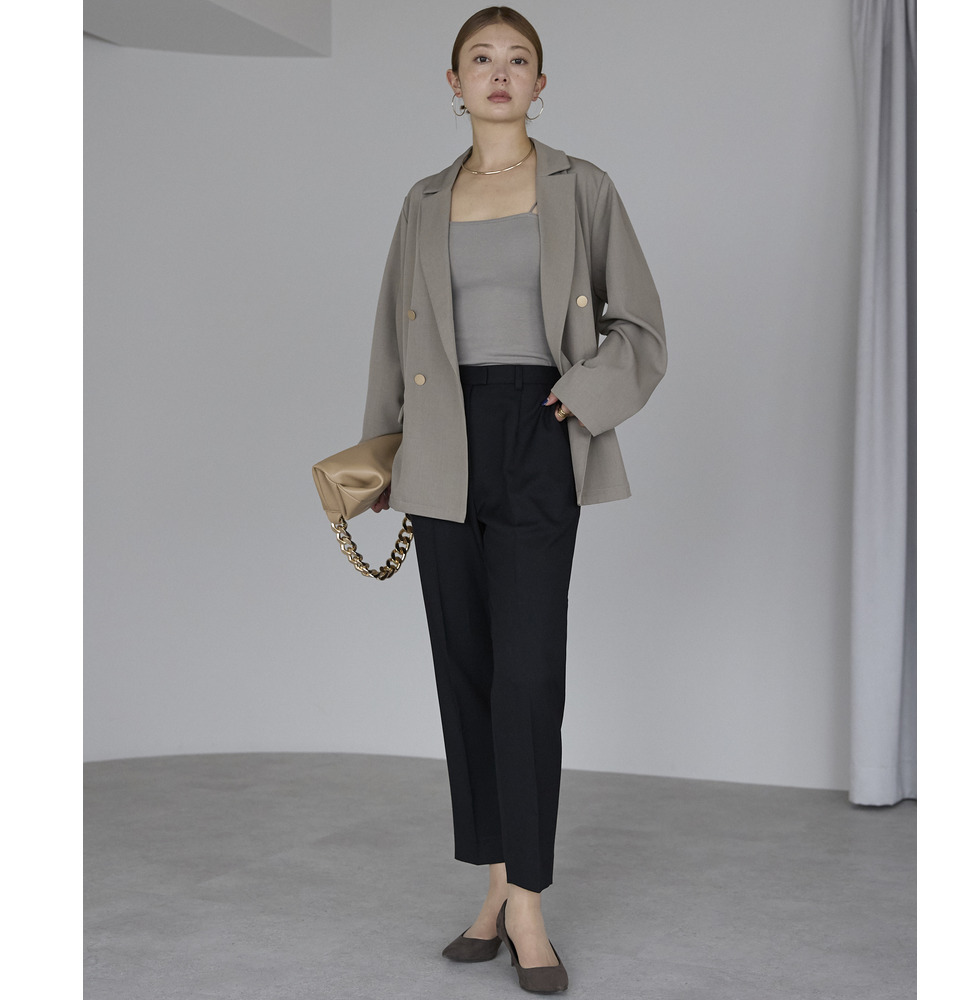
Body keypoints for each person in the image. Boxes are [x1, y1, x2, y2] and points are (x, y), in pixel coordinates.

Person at [361, 6, 666, 993]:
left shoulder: (584, 187)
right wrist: (383, 457)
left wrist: (578, 397)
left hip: (537, 430)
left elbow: (641, 328)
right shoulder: (421, 200)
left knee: (528, 675)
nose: (499, 72)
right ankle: (492, 885)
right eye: (480, 59)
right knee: (468, 672)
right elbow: (394, 340)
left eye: (518, 58)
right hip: (440, 443)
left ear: (541, 82)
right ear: (452, 84)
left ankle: (527, 899)